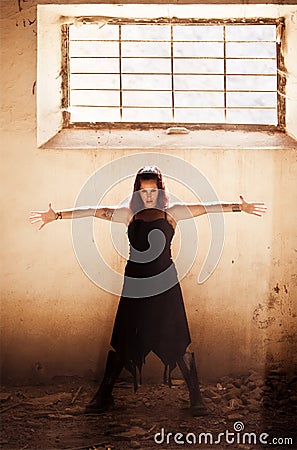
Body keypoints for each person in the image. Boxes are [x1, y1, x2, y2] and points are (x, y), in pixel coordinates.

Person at [29, 166, 267, 416]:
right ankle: (104, 397)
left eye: (153, 190)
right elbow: (92, 211)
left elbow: (207, 207)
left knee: (176, 338)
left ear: (160, 189)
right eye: (144, 191)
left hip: (165, 283)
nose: (149, 195)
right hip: (136, 283)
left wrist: (241, 208)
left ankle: (196, 399)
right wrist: (56, 216)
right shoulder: (128, 214)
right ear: (137, 191)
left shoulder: (171, 213)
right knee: (124, 339)